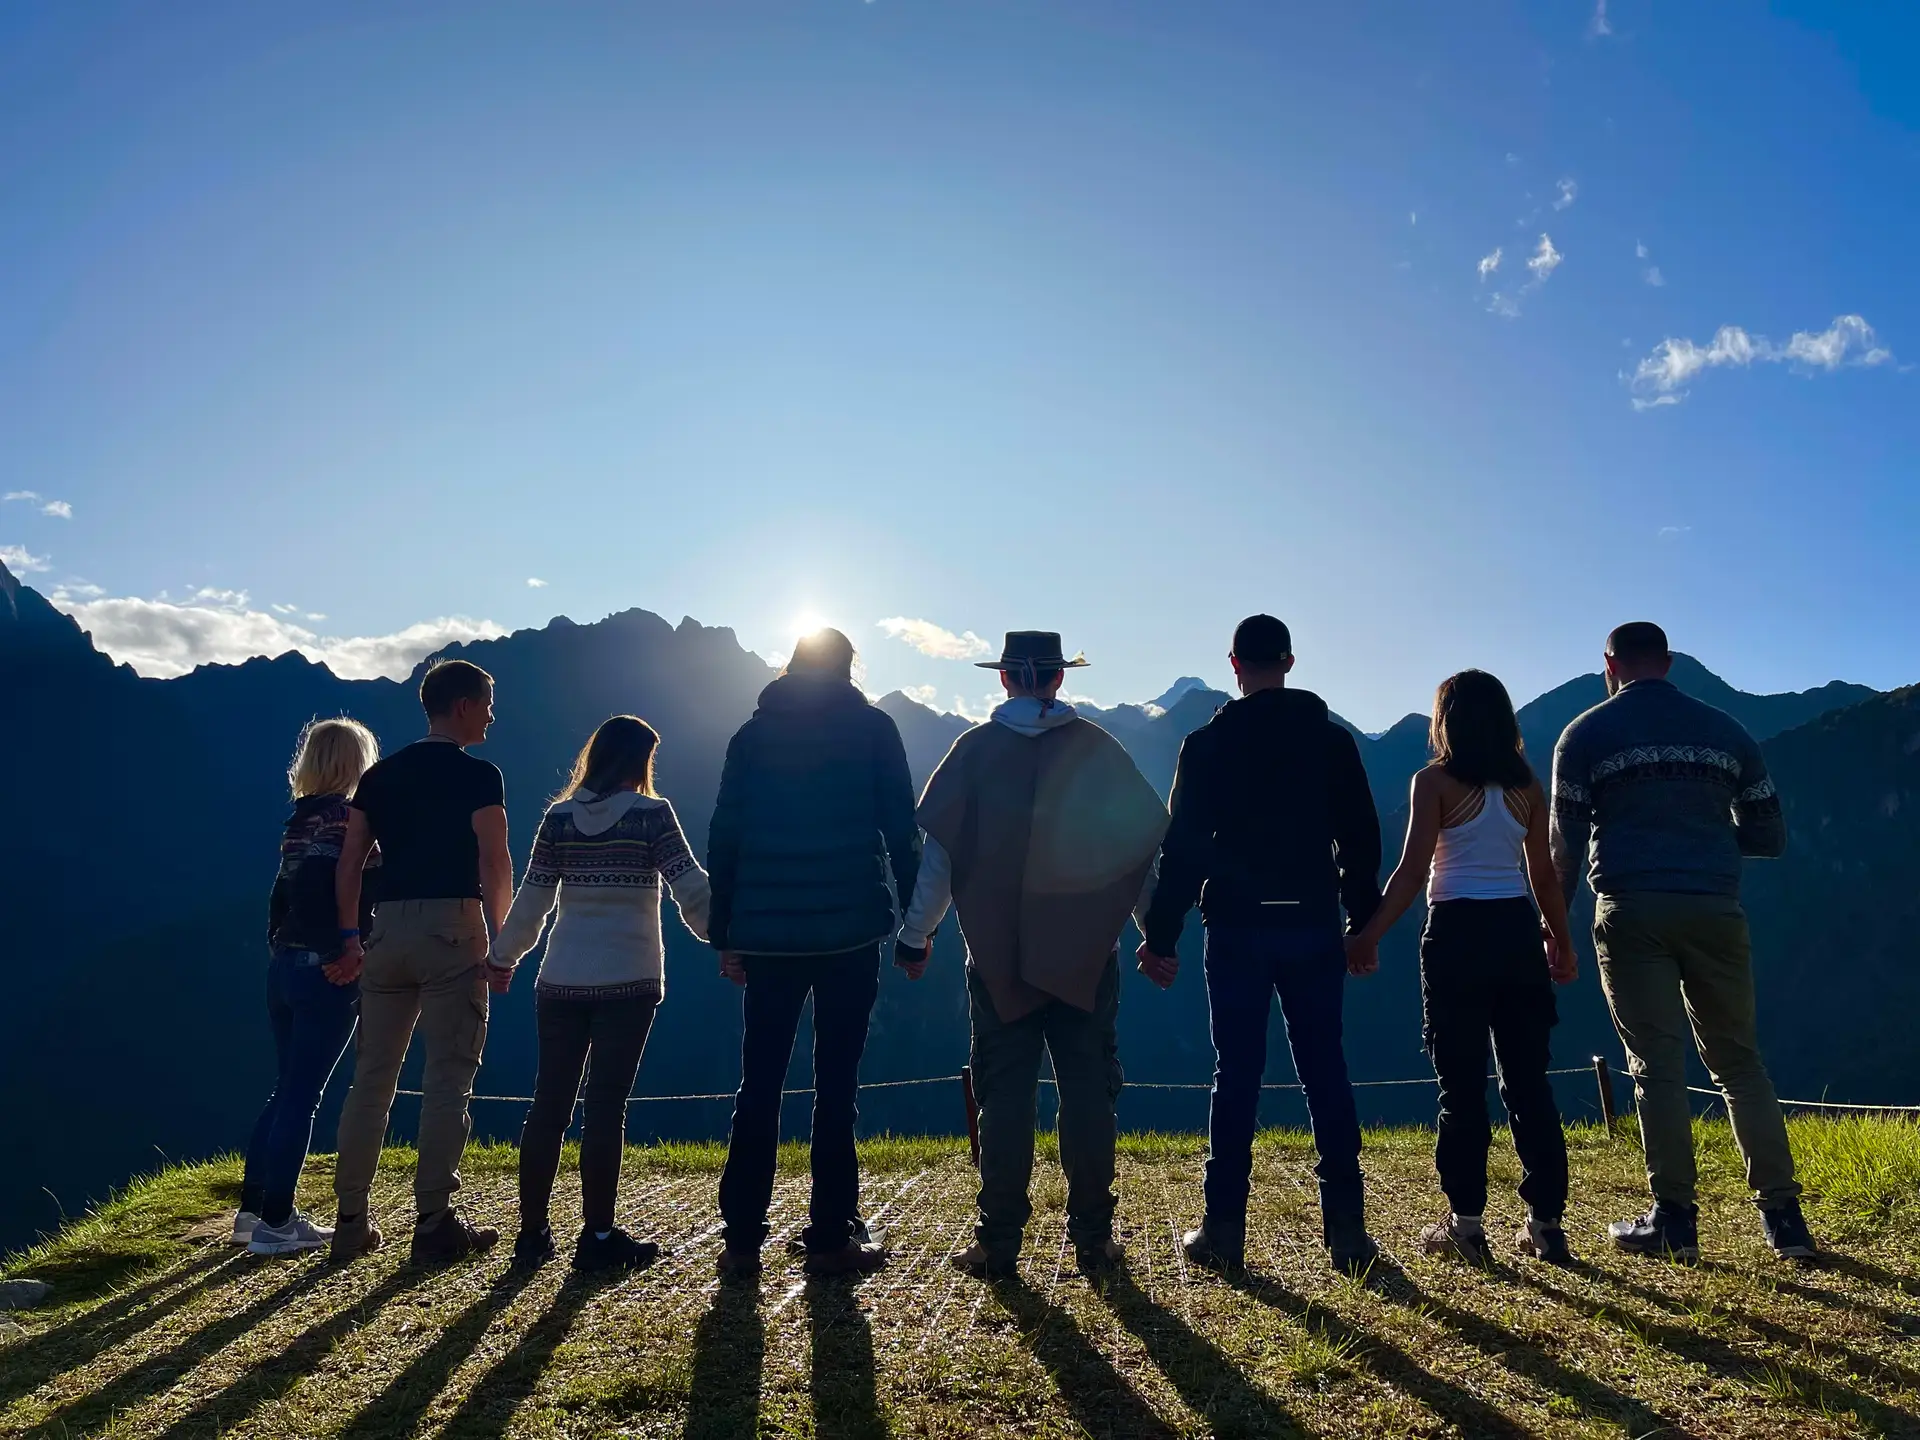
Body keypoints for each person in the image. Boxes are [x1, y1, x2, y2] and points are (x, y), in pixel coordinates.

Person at [901, 631, 1166, 1278]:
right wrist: (1154, 937)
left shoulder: (973, 752)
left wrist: (916, 935)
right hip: (1085, 957)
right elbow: (1139, 854)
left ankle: (998, 1244)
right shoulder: (1097, 750)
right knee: (1088, 1095)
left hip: (996, 959)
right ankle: (1094, 1241)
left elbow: (940, 856)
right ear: (1058, 679)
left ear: (1004, 679)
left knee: (1004, 1096)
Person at [1551, 622, 1813, 1262]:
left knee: (1656, 1065)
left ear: (1609, 664)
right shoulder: (1728, 733)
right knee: (1740, 1062)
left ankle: (1674, 1219)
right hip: (1716, 909)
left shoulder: (1583, 734)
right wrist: (1712, 838)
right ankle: (1785, 1221)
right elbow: (1771, 836)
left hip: (1631, 908)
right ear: (1668, 663)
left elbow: (1564, 844)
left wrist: (1555, 927)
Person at [1137, 615, 1383, 1276]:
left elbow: (1183, 849)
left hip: (1238, 928)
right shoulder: (1333, 743)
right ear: (1290, 662)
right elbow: (1361, 841)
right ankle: (1349, 1235)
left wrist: (1160, 935)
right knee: (1325, 1069)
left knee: (1236, 1074)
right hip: (1312, 924)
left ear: (1235, 664)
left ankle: (1222, 1232)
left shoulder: (1207, 744)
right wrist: (1361, 924)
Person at [709, 628, 921, 1279]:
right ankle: (830, 1234)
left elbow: (726, 835)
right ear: (849, 668)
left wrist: (727, 933)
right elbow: (901, 829)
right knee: (836, 1085)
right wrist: (917, 927)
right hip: (850, 933)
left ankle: (742, 1236)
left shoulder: (751, 737)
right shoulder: (874, 729)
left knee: (760, 1082)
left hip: (767, 936)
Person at [1348, 671, 1578, 1267]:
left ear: (1444, 719)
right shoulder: (1528, 786)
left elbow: (1411, 872)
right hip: (1518, 933)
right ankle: (1547, 1223)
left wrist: (1366, 935)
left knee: (1461, 1084)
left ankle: (1467, 1224)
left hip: (1455, 935)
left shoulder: (1434, 782)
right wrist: (1562, 940)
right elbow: (1544, 876)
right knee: (1529, 1081)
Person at [491, 715, 711, 1272]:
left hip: (559, 980)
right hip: (628, 983)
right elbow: (692, 890)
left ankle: (532, 1232)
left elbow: (533, 899)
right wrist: (734, 940)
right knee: (605, 1107)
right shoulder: (652, 817)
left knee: (548, 1105)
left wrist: (502, 957)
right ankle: (599, 1235)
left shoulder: (557, 819)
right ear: (640, 761)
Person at [330, 657, 514, 1265]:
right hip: (453, 932)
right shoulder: (480, 777)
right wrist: (502, 939)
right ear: (462, 705)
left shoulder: (379, 777)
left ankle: (350, 1221)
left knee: (372, 1080)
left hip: (386, 933)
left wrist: (352, 937)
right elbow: (494, 861)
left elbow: (351, 861)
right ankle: (433, 1221)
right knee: (447, 1080)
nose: (492, 712)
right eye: (487, 700)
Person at [234, 718, 382, 1255]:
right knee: (303, 1093)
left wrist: (282, 946)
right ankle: (277, 1221)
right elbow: (332, 888)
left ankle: (252, 1212)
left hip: (285, 969)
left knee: (286, 1087)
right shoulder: (348, 821)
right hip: (325, 969)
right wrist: (345, 949)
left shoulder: (298, 822)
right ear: (355, 763)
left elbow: (284, 895)